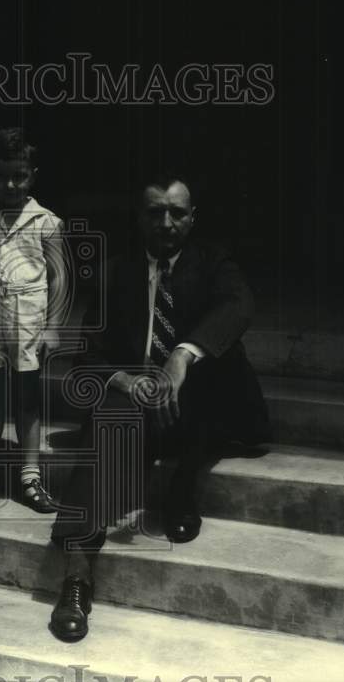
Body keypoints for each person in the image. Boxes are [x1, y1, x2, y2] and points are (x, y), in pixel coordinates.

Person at [47, 173, 270, 641]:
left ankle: (180, 487)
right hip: (142, 402)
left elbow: (238, 306)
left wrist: (180, 356)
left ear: (193, 218)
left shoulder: (214, 263)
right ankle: (76, 573)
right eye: (155, 212)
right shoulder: (115, 271)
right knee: (108, 417)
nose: (166, 222)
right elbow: (88, 355)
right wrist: (127, 381)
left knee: (208, 385)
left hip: (203, 399)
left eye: (177, 212)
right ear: (139, 217)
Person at [0, 127, 69, 513]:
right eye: (1, 175)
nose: (10, 184)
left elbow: (60, 276)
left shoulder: (45, 222)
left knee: (27, 400)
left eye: (19, 175)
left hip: (29, 320)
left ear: (33, 174)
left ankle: (30, 477)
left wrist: (53, 325)